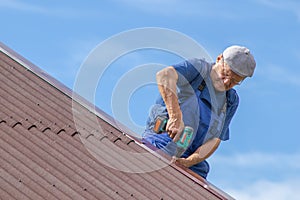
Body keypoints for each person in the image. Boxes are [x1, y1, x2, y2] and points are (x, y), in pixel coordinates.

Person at [142, 45, 256, 179]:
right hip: (161, 142)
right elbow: (165, 75)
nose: (226, 82)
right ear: (219, 59)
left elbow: (215, 139)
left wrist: (189, 162)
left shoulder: (231, 100)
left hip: (190, 162)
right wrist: (175, 116)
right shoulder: (198, 69)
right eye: (225, 74)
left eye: (234, 82)